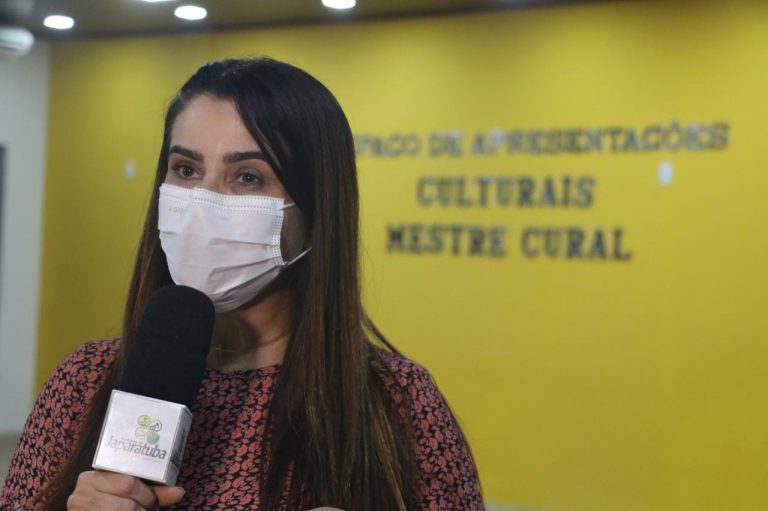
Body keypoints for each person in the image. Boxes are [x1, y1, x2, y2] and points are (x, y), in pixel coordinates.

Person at [0, 57, 483, 510]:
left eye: (248, 177)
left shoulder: (398, 406)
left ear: (317, 209)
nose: (201, 203)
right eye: (186, 169)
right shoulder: (83, 383)